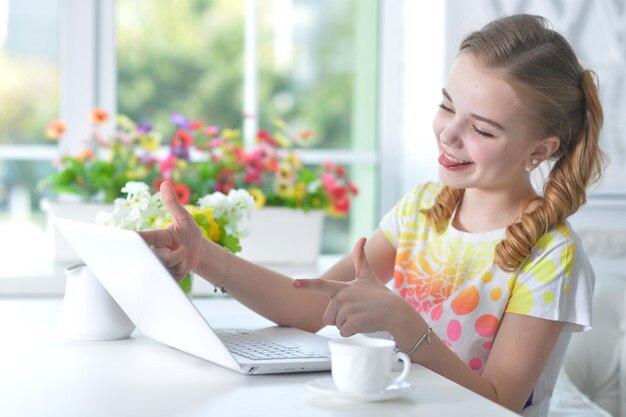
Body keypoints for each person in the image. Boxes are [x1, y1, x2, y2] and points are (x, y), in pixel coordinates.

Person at [139, 14, 604, 417]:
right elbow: (307, 306)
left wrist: (403, 321)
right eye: (447, 106)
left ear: (539, 151)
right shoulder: (424, 208)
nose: (449, 134)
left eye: (482, 128)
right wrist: (203, 256)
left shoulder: (552, 257)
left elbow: (499, 402)